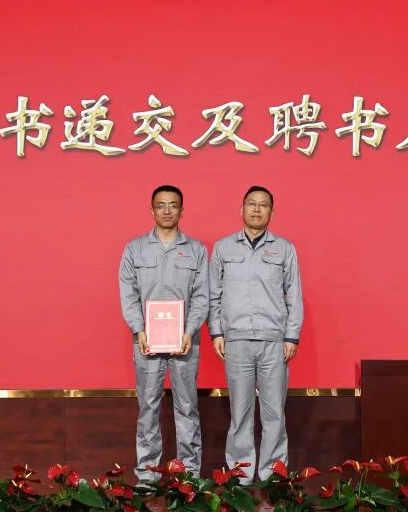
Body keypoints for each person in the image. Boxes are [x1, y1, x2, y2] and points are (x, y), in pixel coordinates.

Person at [208, 185, 303, 484]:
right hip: (235, 339)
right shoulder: (223, 248)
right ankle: (241, 472)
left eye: (264, 205)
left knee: (274, 411)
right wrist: (216, 332)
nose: (257, 209)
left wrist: (291, 336)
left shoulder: (285, 249)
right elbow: (213, 294)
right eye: (252, 203)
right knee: (240, 411)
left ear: (272, 212)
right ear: (241, 209)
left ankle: (273, 471)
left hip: (274, 341)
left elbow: (294, 295)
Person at [119, 185, 208, 481]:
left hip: (185, 342)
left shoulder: (196, 250)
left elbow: (202, 296)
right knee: (147, 408)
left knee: (187, 408)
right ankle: (147, 474)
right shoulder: (135, 249)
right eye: (161, 205)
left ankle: (189, 475)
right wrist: (138, 329)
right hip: (146, 342)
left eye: (173, 205)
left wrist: (190, 330)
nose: (167, 210)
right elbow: (128, 294)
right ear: (152, 210)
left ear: (182, 210)